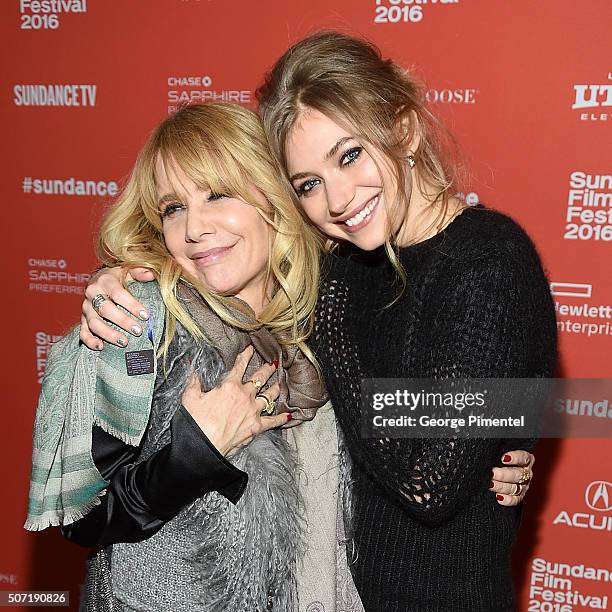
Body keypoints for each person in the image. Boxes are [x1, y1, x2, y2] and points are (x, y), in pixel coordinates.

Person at [78, 32, 554, 612]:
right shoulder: (350, 261)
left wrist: (504, 436)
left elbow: (430, 476)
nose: (337, 197)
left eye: (349, 154)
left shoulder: (482, 258)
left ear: (403, 129)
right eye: (308, 184)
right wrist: (121, 274)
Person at [25, 102, 341, 612]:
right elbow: (82, 518)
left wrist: (508, 445)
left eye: (218, 194)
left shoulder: (322, 324)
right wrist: (195, 450)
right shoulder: (138, 321)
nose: (194, 228)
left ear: (273, 197)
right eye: (174, 208)